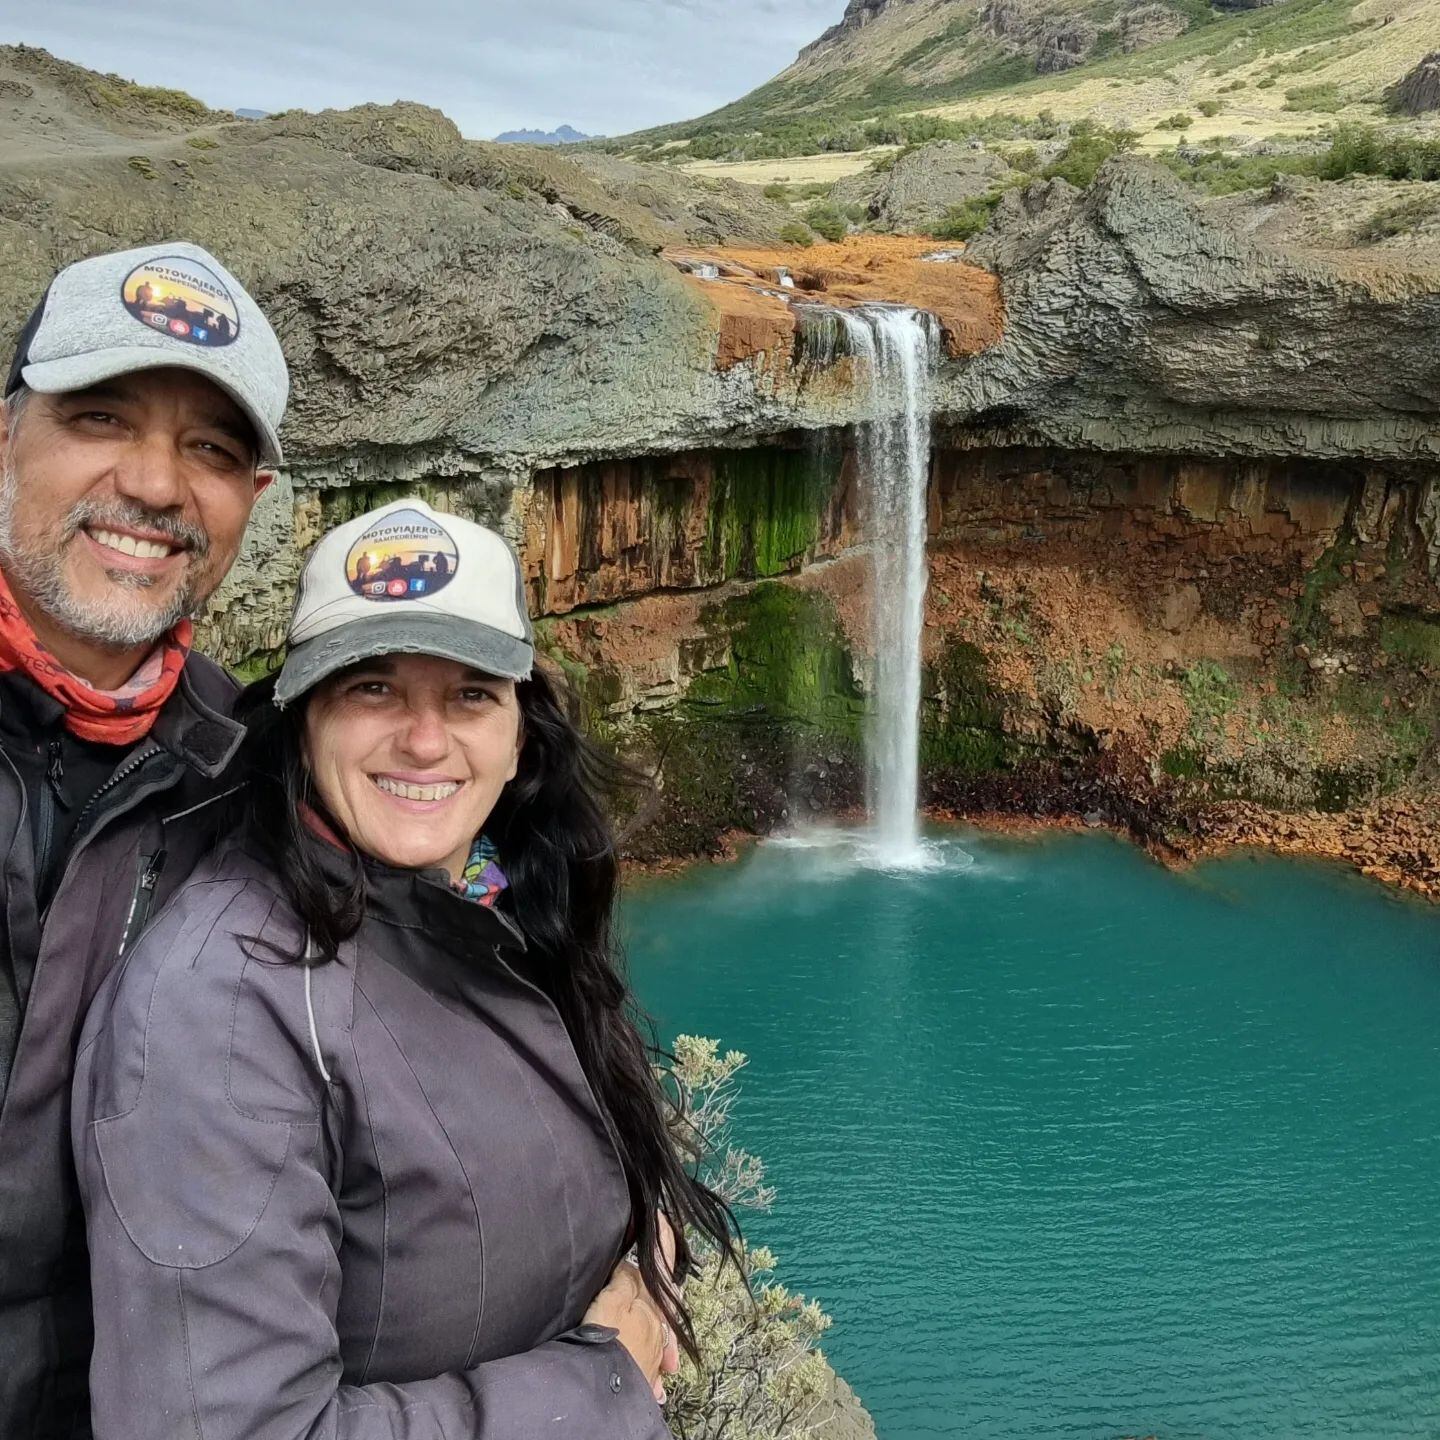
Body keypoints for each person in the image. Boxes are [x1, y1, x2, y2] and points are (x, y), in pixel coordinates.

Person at [72, 498, 737, 1439]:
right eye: (373, 688)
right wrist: (602, 1381)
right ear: (303, 721)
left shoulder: (486, 902)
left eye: (471, 692)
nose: (426, 741)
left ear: (520, 734)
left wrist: (636, 1242)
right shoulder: (224, 1009)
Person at [0, 240, 289, 1437]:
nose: (158, 488)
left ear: (252, 506)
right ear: (7, 433)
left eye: (212, 450)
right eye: (102, 414)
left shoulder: (261, 785)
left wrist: (614, 1192)